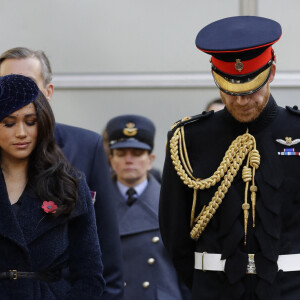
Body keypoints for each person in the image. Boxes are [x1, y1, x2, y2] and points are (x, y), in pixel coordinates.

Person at [159, 16, 300, 300]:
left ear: (271, 72)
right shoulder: (188, 139)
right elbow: (175, 236)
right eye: (230, 90)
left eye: (250, 89)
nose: (240, 101)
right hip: (214, 290)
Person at [0, 47, 124, 300]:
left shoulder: (71, 177)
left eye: (30, 121)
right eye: (9, 123)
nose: (21, 132)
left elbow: (93, 269)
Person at [106, 114, 191, 300]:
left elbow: (185, 265)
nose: (129, 160)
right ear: (111, 160)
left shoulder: (173, 201)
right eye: (121, 154)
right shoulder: (98, 205)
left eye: (137, 154)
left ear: (150, 160)